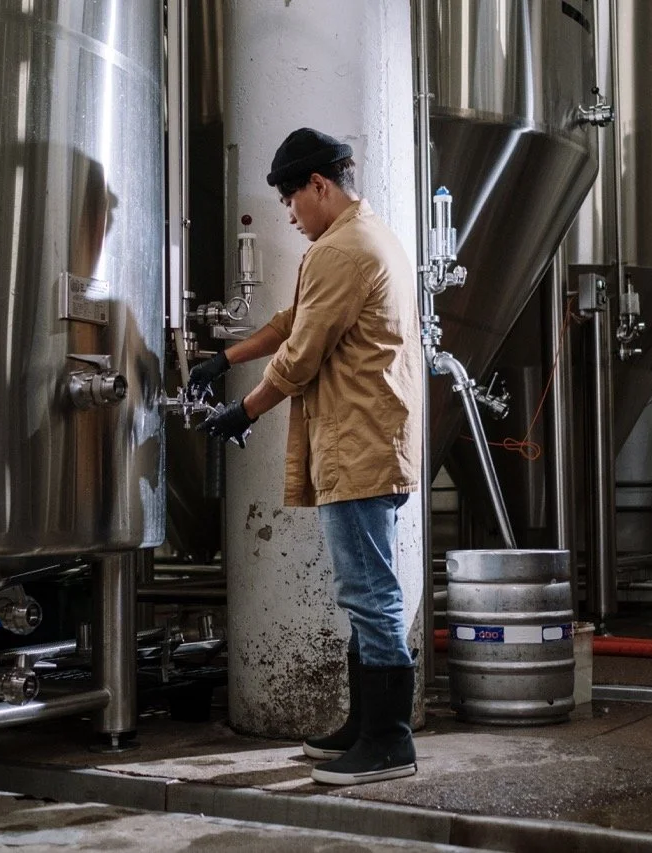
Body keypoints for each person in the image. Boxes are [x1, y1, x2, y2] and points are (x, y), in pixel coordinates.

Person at [192, 127, 424, 786]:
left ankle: (389, 739)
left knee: (370, 593)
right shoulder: (365, 236)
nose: (290, 216)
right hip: (375, 441)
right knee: (363, 592)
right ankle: (363, 725)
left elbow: (300, 356)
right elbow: (295, 320)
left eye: (293, 200)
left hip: (356, 447)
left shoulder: (340, 251)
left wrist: (244, 410)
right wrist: (224, 358)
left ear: (319, 185)